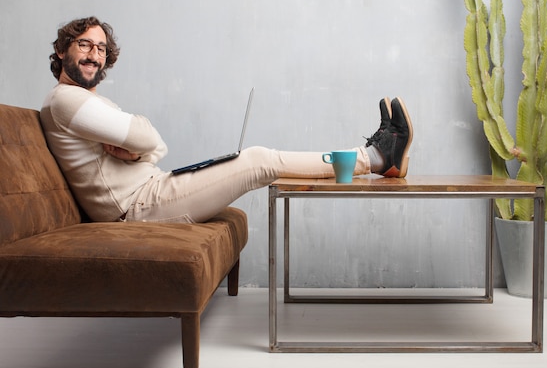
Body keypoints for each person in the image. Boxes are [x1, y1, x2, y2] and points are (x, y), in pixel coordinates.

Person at [41, 16, 413, 223]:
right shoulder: (67, 102)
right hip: (138, 208)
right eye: (84, 45)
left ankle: (376, 159)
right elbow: (147, 137)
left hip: (155, 190)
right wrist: (141, 145)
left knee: (255, 159)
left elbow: (154, 146)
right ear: (62, 50)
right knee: (257, 160)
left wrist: (139, 151)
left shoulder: (87, 102)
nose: (94, 54)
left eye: (101, 48)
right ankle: (376, 158)